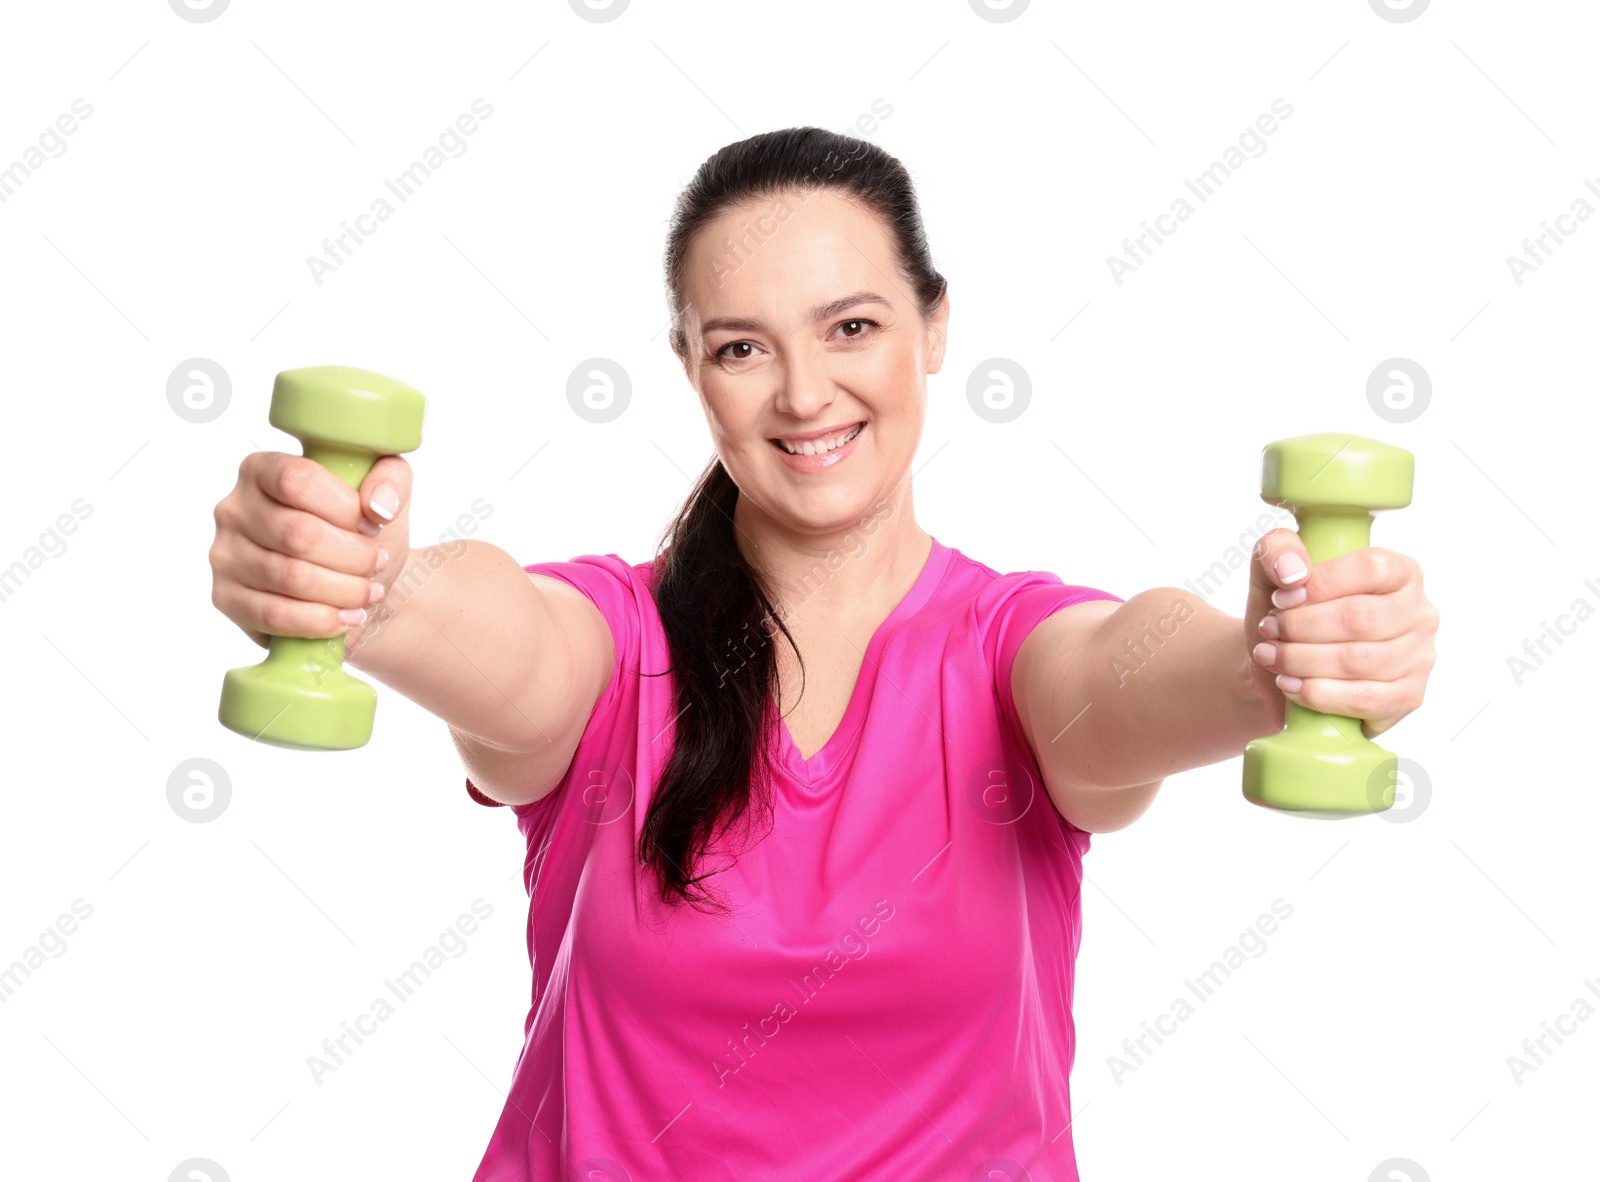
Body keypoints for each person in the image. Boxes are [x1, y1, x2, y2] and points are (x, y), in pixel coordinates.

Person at [208, 127, 1439, 1181]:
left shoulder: (1006, 653)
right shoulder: (620, 645)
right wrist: (365, 591)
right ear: (692, 369)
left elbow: (1121, 673)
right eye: (741, 347)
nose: (804, 395)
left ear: (934, 326)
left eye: (850, 326)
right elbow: (509, 637)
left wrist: (1268, 664)